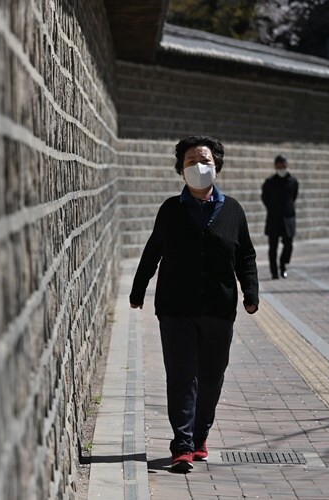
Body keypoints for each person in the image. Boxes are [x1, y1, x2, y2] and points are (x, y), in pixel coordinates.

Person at [129, 136, 259, 473]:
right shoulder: (171, 209)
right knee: (182, 375)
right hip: (176, 308)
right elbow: (153, 250)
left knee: (212, 377)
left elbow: (245, 255)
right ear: (180, 169)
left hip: (219, 308)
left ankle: (200, 434)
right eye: (190, 162)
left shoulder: (232, 211)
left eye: (204, 160)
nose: (198, 167)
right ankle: (182, 444)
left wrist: (251, 294)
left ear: (216, 166)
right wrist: (138, 290)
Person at [262, 155, 299, 279]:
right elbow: (265, 198)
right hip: (274, 219)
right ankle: (274, 272)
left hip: (288, 218)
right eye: (279, 165)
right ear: (275, 166)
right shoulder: (270, 182)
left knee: (288, 244)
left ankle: (283, 265)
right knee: (273, 247)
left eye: (284, 165)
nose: (282, 168)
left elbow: (293, 196)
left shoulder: (293, 182)